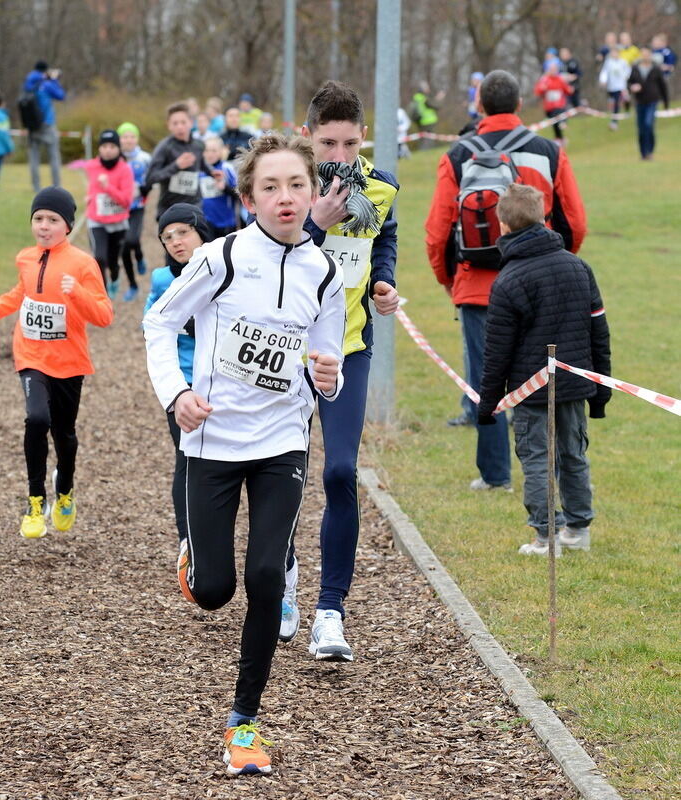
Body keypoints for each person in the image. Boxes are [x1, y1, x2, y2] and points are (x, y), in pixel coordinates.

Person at [143, 133, 346, 775]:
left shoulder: (327, 272)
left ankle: (244, 724)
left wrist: (328, 374)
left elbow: (328, 365)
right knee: (214, 591)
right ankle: (195, 561)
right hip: (212, 439)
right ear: (248, 197)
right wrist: (176, 394)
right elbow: (158, 325)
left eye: (295, 186)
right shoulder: (220, 259)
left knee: (266, 576)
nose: (285, 198)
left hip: (283, 440)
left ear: (312, 193)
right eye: (270, 187)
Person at [425, 69, 587, 493]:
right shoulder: (548, 151)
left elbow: (439, 230)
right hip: (543, 283)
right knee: (547, 377)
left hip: (478, 286)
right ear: (519, 105)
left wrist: (449, 281)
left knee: (486, 379)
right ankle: (550, 474)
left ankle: (495, 474)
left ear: (479, 106)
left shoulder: (458, 154)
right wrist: (559, 265)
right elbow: (574, 220)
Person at [290, 80, 399, 661]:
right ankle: (281, 581)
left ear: (362, 139)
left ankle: (330, 612)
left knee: (339, 473)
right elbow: (262, 255)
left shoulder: (380, 188)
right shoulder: (284, 186)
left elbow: (384, 242)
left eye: (349, 144)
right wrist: (316, 222)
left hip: (347, 352)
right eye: (328, 143)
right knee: (278, 476)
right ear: (309, 137)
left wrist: (385, 281)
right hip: (281, 354)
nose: (338, 157)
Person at [478, 184, 611, 556]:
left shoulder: (507, 281)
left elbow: (496, 352)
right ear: (543, 218)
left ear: (502, 224)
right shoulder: (579, 266)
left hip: (532, 391)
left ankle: (545, 537)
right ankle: (578, 529)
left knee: (537, 459)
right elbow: (600, 332)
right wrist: (601, 390)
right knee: (573, 454)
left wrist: (487, 404)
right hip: (576, 384)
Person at [0, 187, 113, 538]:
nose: (44, 226)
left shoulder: (83, 263)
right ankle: (35, 500)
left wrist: (78, 293)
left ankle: (65, 489)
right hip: (31, 354)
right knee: (36, 418)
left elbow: (103, 315)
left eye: (52, 220)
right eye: (38, 218)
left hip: (69, 361)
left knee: (64, 434)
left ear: (67, 225)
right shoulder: (26, 257)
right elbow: (22, 292)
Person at [143, 204, 214, 552]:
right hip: (182, 384)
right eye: (167, 237)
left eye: (183, 232)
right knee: (186, 458)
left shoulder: (225, 268)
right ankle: (188, 540)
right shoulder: (161, 280)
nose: (175, 242)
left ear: (201, 232)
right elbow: (151, 324)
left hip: (221, 382)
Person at [83, 129, 135, 297]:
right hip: (96, 221)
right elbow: (92, 187)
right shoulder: (91, 166)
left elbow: (127, 201)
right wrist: (90, 197)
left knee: (112, 261)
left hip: (118, 222)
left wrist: (108, 188)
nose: (108, 149)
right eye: (104, 146)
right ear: (99, 148)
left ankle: (115, 277)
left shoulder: (125, 169)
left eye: (112, 146)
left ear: (118, 148)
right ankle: (102, 296)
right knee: (99, 258)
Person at [145, 101, 205, 218]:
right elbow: (151, 178)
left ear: (191, 123)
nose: (180, 127)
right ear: (168, 125)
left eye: (183, 122)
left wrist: (213, 172)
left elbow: (202, 165)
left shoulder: (199, 145)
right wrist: (176, 166)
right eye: (175, 123)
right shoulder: (164, 147)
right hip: (169, 209)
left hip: (194, 206)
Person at [117, 122, 152, 299]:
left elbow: (152, 178)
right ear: (119, 139)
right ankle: (132, 285)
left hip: (137, 206)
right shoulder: (116, 158)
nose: (128, 140)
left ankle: (139, 257)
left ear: (136, 139)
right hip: (119, 208)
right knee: (123, 247)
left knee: (131, 239)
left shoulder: (145, 158)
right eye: (125, 136)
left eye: (132, 136)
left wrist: (143, 189)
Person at [23, 60, 66, 191]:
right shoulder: (47, 84)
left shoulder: (29, 83)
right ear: (45, 70)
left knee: (34, 158)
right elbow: (61, 95)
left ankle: (35, 187)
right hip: (47, 124)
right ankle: (57, 186)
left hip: (32, 125)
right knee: (54, 156)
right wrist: (54, 79)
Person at [628, 46, 670, 161]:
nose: (645, 56)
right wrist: (632, 88)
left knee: (648, 125)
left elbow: (663, 86)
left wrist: (666, 102)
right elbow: (629, 83)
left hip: (652, 101)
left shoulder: (656, 69)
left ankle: (650, 151)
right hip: (640, 101)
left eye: (647, 54)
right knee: (641, 128)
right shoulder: (635, 68)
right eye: (643, 54)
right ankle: (643, 153)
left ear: (650, 55)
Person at [200, 136, 238, 236]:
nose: (210, 154)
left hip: (226, 223)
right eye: (207, 151)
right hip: (205, 223)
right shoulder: (199, 171)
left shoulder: (227, 168)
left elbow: (240, 194)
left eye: (214, 151)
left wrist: (225, 188)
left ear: (221, 151)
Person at [534, 60, 573, 145]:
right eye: (551, 69)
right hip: (549, 108)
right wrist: (542, 88)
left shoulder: (560, 79)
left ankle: (563, 124)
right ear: (548, 70)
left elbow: (567, 90)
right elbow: (537, 91)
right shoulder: (545, 80)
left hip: (560, 105)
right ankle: (560, 137)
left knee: (559, 113)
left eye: (555, 69)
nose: (553, 71)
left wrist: (570, 89)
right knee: (555, 121)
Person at [599, 46, 631, 130]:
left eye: (616, 52)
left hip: (621, 87)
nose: (614, 54)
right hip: (611, 87)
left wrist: (626, 77)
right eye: (613, 53)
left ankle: (614, 122)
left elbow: (628, 71)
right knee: (613, 103)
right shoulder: (608, 62)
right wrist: (603, 80)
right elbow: (604, 72)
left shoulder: (623, 62)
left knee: (619, 102)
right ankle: (617, 116)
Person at [411, 80, 445, 149]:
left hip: (420, 120)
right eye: (427, 88)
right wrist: (439, 99)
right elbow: (435, 106)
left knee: (423, 138)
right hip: (428, 120)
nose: (428, 89)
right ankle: (426, 150)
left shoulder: (417, 97)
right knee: (429, 139)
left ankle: (423, 151)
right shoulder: (425, 98)